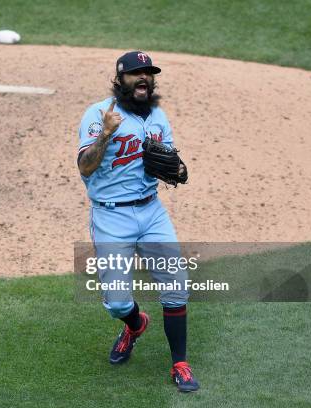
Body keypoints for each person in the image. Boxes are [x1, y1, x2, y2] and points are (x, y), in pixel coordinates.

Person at [77, 51, 199, 392]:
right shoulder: (99, 114)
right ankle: (134, 323)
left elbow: (172, 162)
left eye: (148, 73)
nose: (144, 78)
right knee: (117, 303)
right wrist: (105, 134)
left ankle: (180, 364)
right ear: (121, 79)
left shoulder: (158, 116)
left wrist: (179, 170)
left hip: (151, 212)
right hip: (111, 215)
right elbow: (85, 167)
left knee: (176, 288)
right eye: (136, 74)